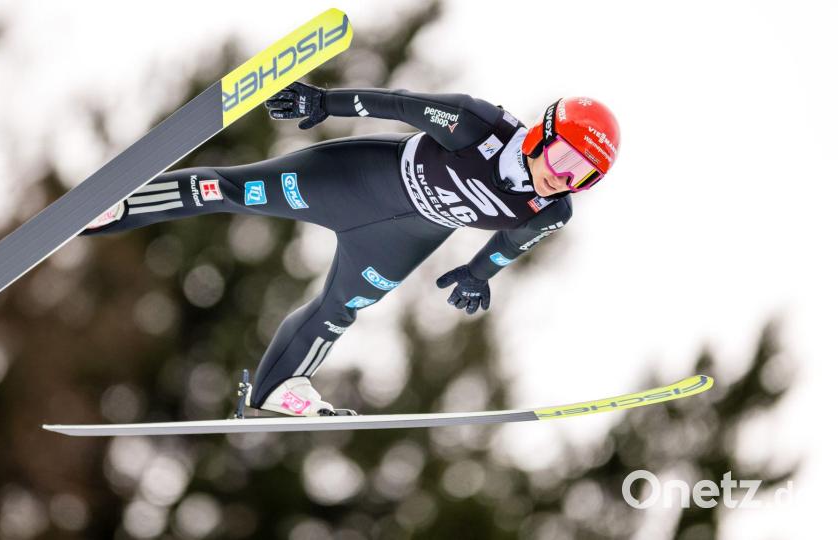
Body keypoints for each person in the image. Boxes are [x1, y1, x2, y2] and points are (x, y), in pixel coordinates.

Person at [81, 82, 621, 417]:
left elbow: (511, 243)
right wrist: (324, 102)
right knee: (231, 190)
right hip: (352, 182)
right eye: (564, 159)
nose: (563, 178)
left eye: (582, 175)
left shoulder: (552, 210)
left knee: (341, 308)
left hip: (401, 240)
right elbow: (401, 104)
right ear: (543, 133)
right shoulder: (479, 126)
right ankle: (120, 206)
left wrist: (479, 274)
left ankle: (280, 386)